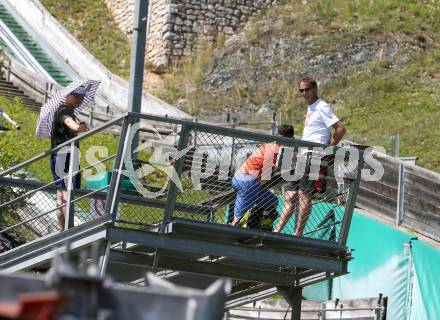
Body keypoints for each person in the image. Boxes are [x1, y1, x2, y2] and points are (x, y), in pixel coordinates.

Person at [274, 77, 346, 236]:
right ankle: (277, 230)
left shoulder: (321, 106)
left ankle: (298, 233)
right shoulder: (311, 107)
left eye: (307, 89)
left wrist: (328, 149)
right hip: (303, 154)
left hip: (314, 154)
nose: (304, 93)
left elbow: (340, 129)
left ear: (314, 89)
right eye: (301, 90)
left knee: (304, 194)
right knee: (290, 194)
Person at [230, 125, 294, 228]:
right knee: (238, 220)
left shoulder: (274, 145)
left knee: (272, 201)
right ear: (290, 138)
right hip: (247, 181)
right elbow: (268, 171)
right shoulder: (277, 147)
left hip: (246, 180)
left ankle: (259, 225)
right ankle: (234, 230)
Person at [50, 86, 89, 231]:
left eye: (82, 97)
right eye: (77, 96)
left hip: (61, 156)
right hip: (65, 156)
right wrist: (77, 128)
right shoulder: (64, 112)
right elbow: (68, 122)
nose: (80, 100)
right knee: (67, 193)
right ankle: (69, 231)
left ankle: (62, 230)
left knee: (61, 195)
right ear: (68, 96)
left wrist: (79, 126)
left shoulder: (68, 112)